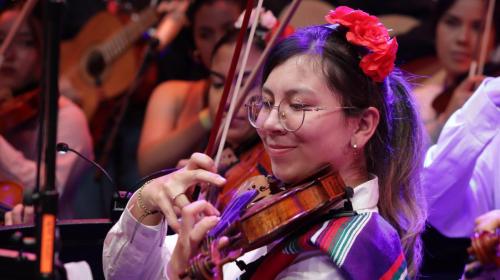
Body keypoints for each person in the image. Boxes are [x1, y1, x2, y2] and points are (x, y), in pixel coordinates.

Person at [103, 6, 426, 279]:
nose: (269, 124)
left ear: (362, 125)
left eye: (298, 107)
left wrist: (180, 272)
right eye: (267, 103)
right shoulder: (277, 208)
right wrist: (146, 203)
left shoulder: (341, 253)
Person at [138, 6, 274, 175]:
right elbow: (147, 166)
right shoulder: (174, 92)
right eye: (217, 84)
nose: (228, 100)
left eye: (244, 83)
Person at [0, 4, 93, 222]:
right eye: (1, 39)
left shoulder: (67, 116)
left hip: (43, 241)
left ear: (43, 53)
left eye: (25, 42)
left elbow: (51, 187)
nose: (9, 52)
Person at [412, 0, 500, 144]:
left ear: (495, 39)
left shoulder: (494, 97)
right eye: (452, 22)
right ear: (435, 28)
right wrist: (447, 122)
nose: (463, 38)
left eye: (478, 27)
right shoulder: (417, 100)